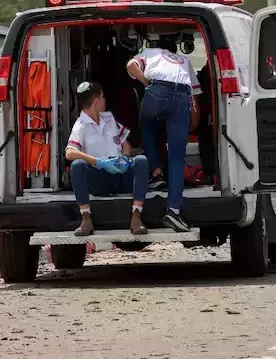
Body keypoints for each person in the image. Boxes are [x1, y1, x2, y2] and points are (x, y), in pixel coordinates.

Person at [127, 34, 198, 233]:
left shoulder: (150, 53)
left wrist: (146, 82)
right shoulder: (186, 61)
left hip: (156, 91)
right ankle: (173, 210)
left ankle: (156, 171)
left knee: (146, 122)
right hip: (182, 96)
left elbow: (130, 66)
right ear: (175, 51)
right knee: (177, 157)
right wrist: (193, 124)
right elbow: (195, 98)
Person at [64, 81, 149, 237]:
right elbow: (69, 152)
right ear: (96, 101)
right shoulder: (80, 126)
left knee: (141, 161)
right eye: (102, 97)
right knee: (77, 165)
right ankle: (86, 218)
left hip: (121, 174)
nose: (105, 100)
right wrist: (99, 162)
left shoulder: (108, 118)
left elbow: (126, 143)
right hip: (101, 178)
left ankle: (136, 217)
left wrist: (124, 157)